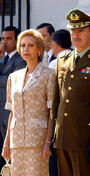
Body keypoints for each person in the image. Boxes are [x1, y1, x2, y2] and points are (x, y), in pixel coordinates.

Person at [48, 9, 90, 176]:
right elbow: (56, 102)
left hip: (85, 139)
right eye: (73, 30)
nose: (75, 34)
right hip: (62, 138)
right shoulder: (62, 61)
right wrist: (52, 136)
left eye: (81, 30)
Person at [1, 29, 54, 176]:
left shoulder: (48, 75)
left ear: (39, 49)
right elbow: (12, 111)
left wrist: (47, 143)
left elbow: (51, 112)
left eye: (30, 45)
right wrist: (7, 144)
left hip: (37, 141)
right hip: (16, 141)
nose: (26, 49)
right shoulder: (13, 77)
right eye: (23, 45)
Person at [0, 26, 26, 169]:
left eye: (8, 39)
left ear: (17, 41)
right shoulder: (3, 57)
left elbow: (14, 80)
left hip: (9, 115)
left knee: (10, 157)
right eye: (2, 39)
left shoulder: (21, 58)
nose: (4, 42)